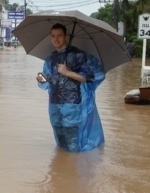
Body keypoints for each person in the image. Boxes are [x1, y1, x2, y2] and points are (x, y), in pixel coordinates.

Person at [36, 23, 105, 152]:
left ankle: (74, 168)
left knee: (73, 143)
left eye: (59, 36)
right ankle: (61, 170)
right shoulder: (50, 59)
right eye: (53, 36)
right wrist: (42, 78)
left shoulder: (79, 56)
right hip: (55, 104)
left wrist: (68, 72)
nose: (56, 39)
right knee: (60, 142)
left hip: (72, 106)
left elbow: (93, 76)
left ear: (66, 36)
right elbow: (48, 81)